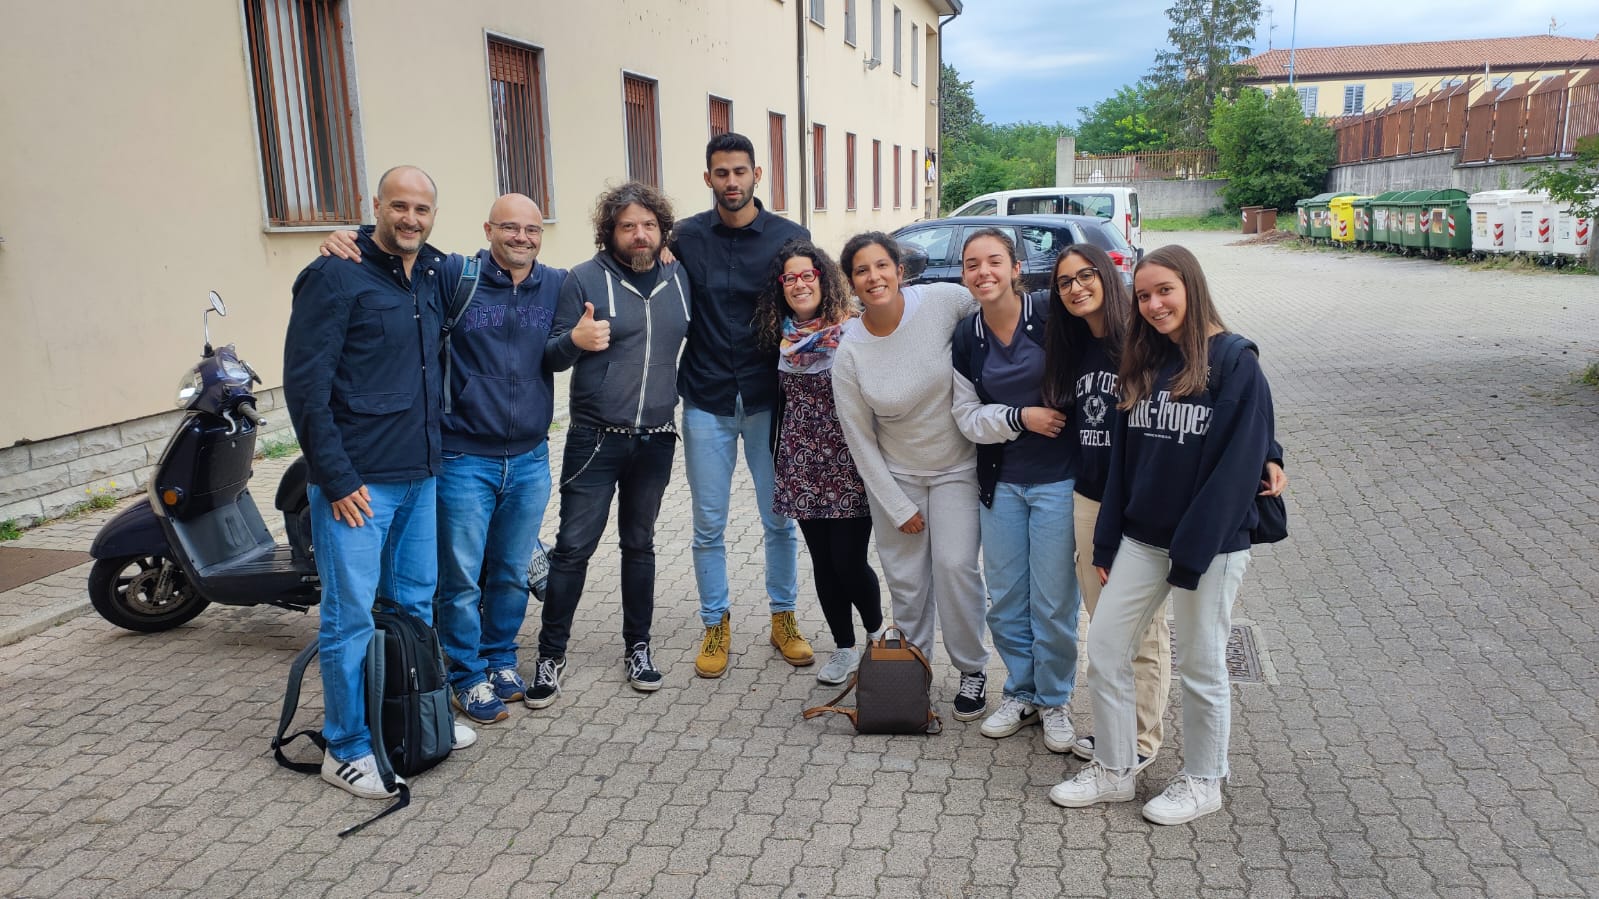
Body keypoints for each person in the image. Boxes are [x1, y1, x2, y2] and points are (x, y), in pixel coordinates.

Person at [1049, 244, 1284, 825]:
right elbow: (1124, 465)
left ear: (1192, 288)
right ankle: (1116, 768)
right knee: (1105, 646)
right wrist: (1107, 540)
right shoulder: (1145, 361)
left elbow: (1239, 463)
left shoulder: (1233, 360)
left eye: (1165, 291)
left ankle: (1205, 780)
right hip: (1141, 537)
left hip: (1209, 544)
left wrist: (1192, 554)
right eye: (1145, 295)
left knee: (1202, 664)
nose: (1154, 304)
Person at [317, 194, 564, 726]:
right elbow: (400, 237)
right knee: (460, 579)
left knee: (512, 571)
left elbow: (617, 264)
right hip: (463, 456)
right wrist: (351, 236)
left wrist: (661, 250)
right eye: (509, 228)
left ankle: (500, 660)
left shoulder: (557, 283)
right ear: (488, 229)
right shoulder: (455, 274)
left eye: (531, 229)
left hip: (530, 458)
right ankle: (464, 674)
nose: (521, 237)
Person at [283, 165, 473, 801]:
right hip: (358, 486)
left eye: (422, 208)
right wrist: (334, 479)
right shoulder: (333, 276)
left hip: (421, 476)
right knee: (349, 619)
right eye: (399, 207)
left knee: (416, 608)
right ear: (376, 207)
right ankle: (347, 747)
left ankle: (412, 715)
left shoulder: (429, 274)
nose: (411, 218)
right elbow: (306, 390)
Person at [528, 181, 690, 706]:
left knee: (639, 545)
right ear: (610, 232)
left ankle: (638, 648)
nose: (639, 235)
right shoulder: (582, 279)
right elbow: (550, 356)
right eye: (628, 226)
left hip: (657, 439)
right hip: (594, 439)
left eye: (649, 225)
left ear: (662, 230)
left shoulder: (678, 274)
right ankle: (550, 655)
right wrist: (574, 342)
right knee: (574, 549)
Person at [830, 232, 991, 721]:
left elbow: (990, 306)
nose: (874, 277)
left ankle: (972, 668)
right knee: (906, 582)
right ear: (852, 283)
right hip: (896, 477)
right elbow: (860, 440)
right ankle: (914, 668)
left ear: (900, 270)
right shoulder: (850, 353)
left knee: (956, 566)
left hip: (957, 467)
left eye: (882, 266)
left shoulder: (942, 302)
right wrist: (898, 507)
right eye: (861, 270)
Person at [672, 132, 812, 679]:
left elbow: (810, 297)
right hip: (705, 395)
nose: (731, 182)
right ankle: (715, 622)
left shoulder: (788, 237)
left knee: (778, 518)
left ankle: (784, 618)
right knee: (708, 522)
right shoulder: (683, 236)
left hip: (767, 396)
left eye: (740, 172)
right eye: (721, 173)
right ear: (708, 178)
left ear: (758, 174)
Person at [949, 229, 1080, 751]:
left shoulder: (1051, 316)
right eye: (972, 264)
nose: (983, 272)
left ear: (1016, 267)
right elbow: (965, 417)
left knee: (1052, 601)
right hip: (1000, 482)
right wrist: (1020, 417)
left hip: (1058, 480)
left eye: (994, 261)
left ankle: (1055, 699)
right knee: (1005, 598)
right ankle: (1020, 692)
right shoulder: (967, 336)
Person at [752, 239, 884, 685]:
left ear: (823, 279)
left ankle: (878, 635)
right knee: (823, 563)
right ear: (781, 287)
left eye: (808, 274)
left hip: (848, 464)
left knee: (849, 560)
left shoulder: (852, 331)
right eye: (790, 277)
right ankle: (843, 648)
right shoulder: (783, 337)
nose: (800, 284)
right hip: (801, 465)